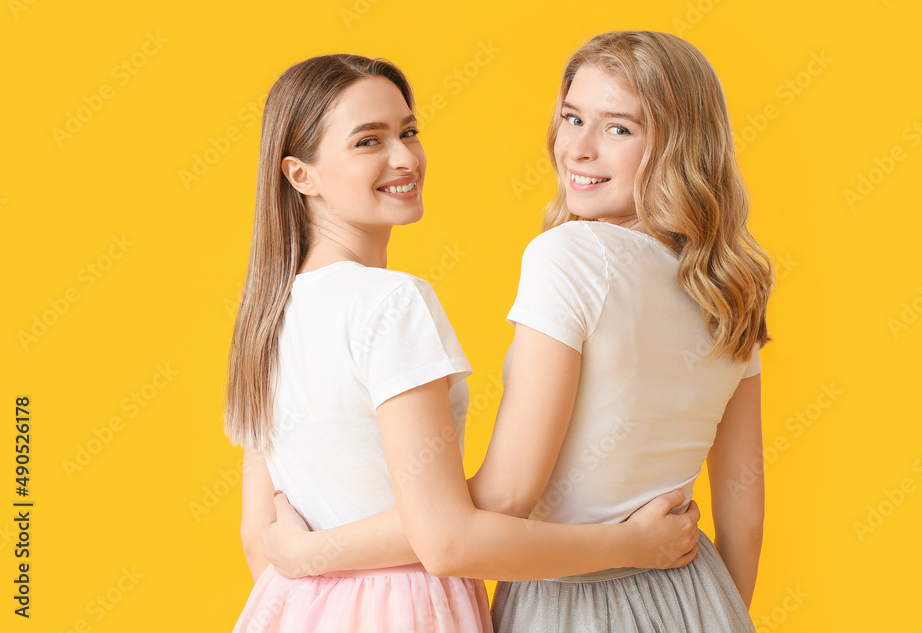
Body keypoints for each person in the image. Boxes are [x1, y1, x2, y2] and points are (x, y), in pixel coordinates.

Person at [264, 31, 774, 632]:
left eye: (619, 129)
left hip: (571, 602)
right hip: (700, 594)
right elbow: (742, 509)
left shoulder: (569, 256)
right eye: (572, 118)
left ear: (681, 146)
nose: (579, 149)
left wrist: (310, 552)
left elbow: (501, 501)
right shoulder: (728, 285)